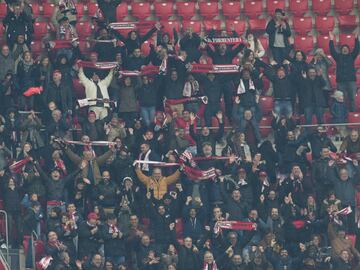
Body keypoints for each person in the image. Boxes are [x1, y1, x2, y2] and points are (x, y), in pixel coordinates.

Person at [329, 31, 359, 112]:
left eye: (346, 49)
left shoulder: (352, 56)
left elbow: (356, 49)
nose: (345, 50)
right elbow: (332, 51)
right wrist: (331, 40)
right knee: (341, 98)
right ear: (341, 50)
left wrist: (356, 39)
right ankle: (343, 114)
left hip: (351, 81)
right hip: (341, 82)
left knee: (352, 98)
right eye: (343, 49)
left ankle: (352, 114)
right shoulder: (338, 57)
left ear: (348, 50)